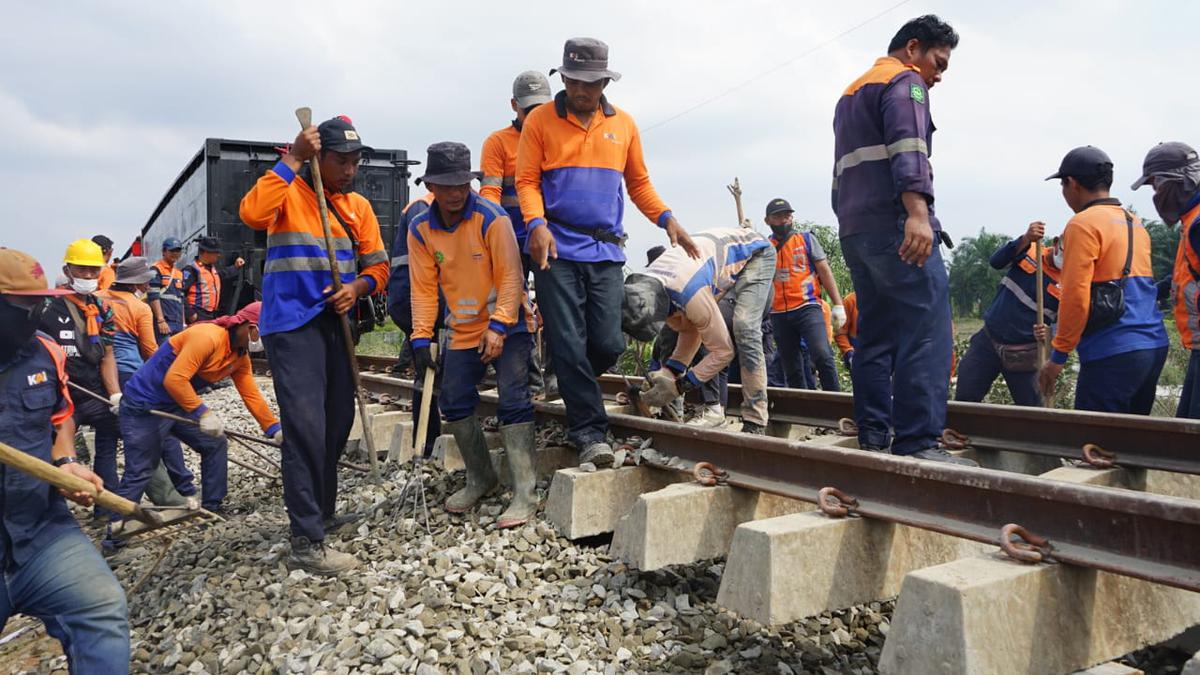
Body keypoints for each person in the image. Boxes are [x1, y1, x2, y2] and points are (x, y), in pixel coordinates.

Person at [516, 37, 700, 467]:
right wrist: (536, 224)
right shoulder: (540, 121)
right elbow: (526, 181)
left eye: (591, 83)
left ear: (605, 83)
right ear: (563, 79)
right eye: (574, 82)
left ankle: (568, 374)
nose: (581, 90)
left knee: (608, 341)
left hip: (605, 250)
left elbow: (638, 184)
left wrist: (666, 218)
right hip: (557, 249)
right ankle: (590, 433)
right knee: (568, 341)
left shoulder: (625, 125)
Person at [240, 114, 389, 574]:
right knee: (306, 428)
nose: (350, 169)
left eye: (355, 161)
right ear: (318, 158)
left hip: (335, 324)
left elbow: (379, 267)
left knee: (337, 422)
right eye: (341, 161)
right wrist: (293, 159)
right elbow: (252, 214)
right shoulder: (286, 192)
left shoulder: (358, 206)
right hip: (291, 324)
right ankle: (306, 540)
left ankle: (323, 511)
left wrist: (357, 288)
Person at [832, 15, 972, 465]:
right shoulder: (905, 82)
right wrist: (917, 214)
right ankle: (918, 441)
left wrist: (852, 223)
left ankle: (874, 434)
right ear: (913, 49)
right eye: (938, 63)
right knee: (926, 329)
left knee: (874, 335)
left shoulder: (851, 92)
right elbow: (909, 150)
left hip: (856, 230)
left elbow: (841, 173)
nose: (938, 76)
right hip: (896, 226)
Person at [0, 248, 130, 672]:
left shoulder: (45, 352)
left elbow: (60, 422)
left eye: (40, 302)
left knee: (101, 607)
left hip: (41, 529)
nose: (35, 314)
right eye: (23, 305)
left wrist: (65, 463)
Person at [409, 142, 539, 527]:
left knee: (513, 400)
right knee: (453, 400)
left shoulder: (491, 218)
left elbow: (511, 275)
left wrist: (498, 325)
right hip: (463, 327)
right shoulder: (421, 229)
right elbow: (424, 288)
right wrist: (420, 337)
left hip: (509, 324)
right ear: (430, 186)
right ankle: (482, 476)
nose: (455, 194)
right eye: (446, 186)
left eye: (461, 185)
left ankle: (525, 494)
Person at [106, 302, 280, 550]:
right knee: (141, 469)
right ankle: (114, 537)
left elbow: (250, 393)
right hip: (144, 405)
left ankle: (210, 508)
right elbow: (175, 379)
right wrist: (203, 413)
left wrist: (273, 428)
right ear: (248, 326)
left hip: (176, 404)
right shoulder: (207, 337)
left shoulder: (239, 356)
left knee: (214, 443)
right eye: (262, 332)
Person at [1037, 146, 1169, 414]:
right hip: (1154, 346)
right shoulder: (1134, 223)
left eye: (1062, 185)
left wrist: (1057, 357)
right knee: (1133, 436)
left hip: (1112, 350)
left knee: (1094, 436)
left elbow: (1075, 297)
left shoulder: (1082, 224)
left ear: (1072, 183)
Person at [623, 227, 776, 433]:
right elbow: (690, 328)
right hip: (701, 266)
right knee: (697, 323)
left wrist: (679, 387)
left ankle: (755, 419)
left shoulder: (688, 292)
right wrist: (669, 372)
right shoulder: (648, 286)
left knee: (745, 327)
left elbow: (724, 352)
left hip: (756, 253)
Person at [482, 70, 558, 395]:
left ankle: (555, 376)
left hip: (546, 238)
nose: (536, 115)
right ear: (515, 106)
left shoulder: (557, 139)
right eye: (529, 109)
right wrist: (492, 237)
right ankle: (526, 378)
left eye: (542, 108)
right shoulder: (498, 143)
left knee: (555, 307)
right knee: (512, 307)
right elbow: (490, 195)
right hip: (511, 239)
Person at [38, 239, 127, 509]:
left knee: (116, 436)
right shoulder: (47, 306)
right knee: (57, 455)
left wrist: (115, 395)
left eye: (93, 270)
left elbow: (107, 355)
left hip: (93, 391)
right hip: (60, 396)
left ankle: (108, 507)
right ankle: (53, 510)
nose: (88, 275)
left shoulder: (103, 309)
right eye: (81, 269)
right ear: (67, 270)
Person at [99, 256, 188, 510]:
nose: (148, 286)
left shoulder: (96, 297)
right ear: (136, 283)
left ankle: (104, 506)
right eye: (145, 282)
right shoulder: (139, 307)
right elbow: (150, 350)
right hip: (129, 374)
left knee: (106, 440)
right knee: (159, 432)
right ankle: (176, 492)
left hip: (101, 375)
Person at [955, 222, 1061, 406]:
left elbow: (1067, 325)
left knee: (1032, 410)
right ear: (1057, 243)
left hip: (1023, 353)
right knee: (965, 399)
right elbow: (996, 262)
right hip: (988, 340)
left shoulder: (1071, 283)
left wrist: (1050, 333)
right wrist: (1026, 238)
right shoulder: (1032, 251)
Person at [1131, 142, 1200, 419]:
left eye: (1156, 185)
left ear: (1177, 182)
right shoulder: (1191, 221)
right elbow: (1186, 275)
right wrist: (1146, 292)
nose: (1156, 195)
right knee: (1186, 430)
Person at [764, 198, 845, 391]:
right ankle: (801, 405)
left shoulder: (806, 239)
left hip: (807, 306)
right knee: (791, 367)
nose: (783, 220)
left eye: (787, 215)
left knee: (822, 355)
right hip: (779, 312)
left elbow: (824, 271)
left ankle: (835, 401)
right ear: (768, 220)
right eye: (778, 216)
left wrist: (838, 304)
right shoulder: (766, 247)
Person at [386, 192, 444, 457]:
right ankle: (427, 444)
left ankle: (428, 441)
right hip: (414, 298)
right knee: (429, 366)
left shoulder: (437, 206)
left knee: (432, 368)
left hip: (418, 298)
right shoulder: (423, 208)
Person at [181, 236, 245, 324]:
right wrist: (190, 314)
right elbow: (180, 292)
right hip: (198, 314)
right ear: (206, 253)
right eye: (215, 252)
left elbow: (221, 275)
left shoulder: (211, 269)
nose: (218, 255)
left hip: (211, 314)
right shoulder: (192, 270)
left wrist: (235, 267)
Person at [149, 237, 186, 344]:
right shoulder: (156, 269)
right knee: (165, 351)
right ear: (164, 251)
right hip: (164, 322)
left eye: (178, 251)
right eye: (172, 250)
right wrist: (160, 320)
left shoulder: (179, 273)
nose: (175, 253)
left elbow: (181, 300)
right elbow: (153, 296)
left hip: (178, 323)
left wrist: (183, 323)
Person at [835, 291, 858, 371]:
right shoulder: (850, 300)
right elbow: (839, 332)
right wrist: (848, 352)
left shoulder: (887, 299)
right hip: (856, 352)